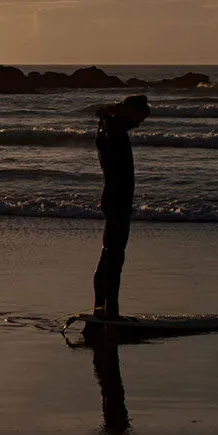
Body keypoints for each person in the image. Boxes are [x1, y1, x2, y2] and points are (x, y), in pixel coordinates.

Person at [92, 94, 150, 318]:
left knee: (109, 254)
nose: (138, 124)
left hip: (114, 197)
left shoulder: (108, 128)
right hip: (117, 198)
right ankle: (111, 309)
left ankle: (101, 307)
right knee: (115, 256)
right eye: (139, 118)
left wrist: (106, 115)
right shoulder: (114, 132)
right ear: (130, 112)